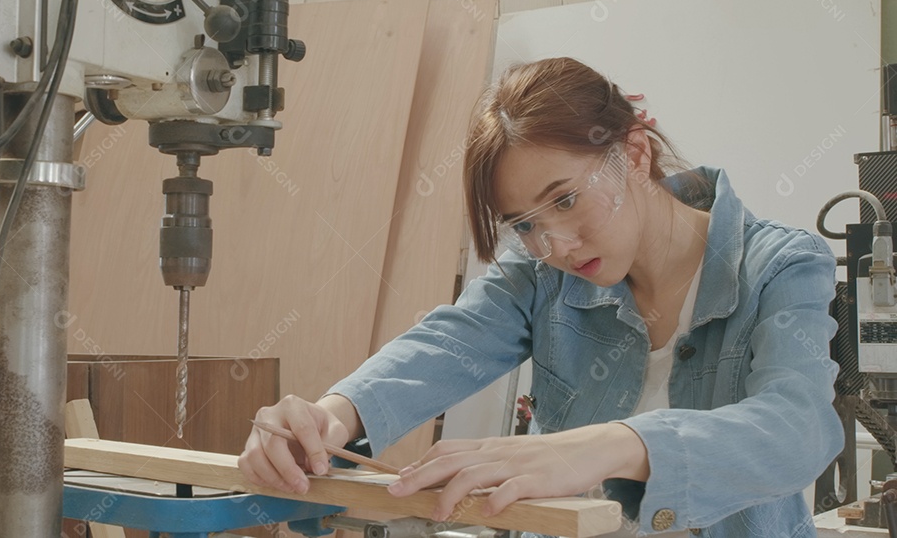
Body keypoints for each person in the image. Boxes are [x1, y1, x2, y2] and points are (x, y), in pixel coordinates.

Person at [238, 57, 842, 537]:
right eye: (524, 224)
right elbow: (446, 344)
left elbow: (799, 429)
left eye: (565, 200)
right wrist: (333, 415)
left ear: (634, 153)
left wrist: (613, 445)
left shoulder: (779, 265)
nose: (555, 245)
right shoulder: (541, 275)